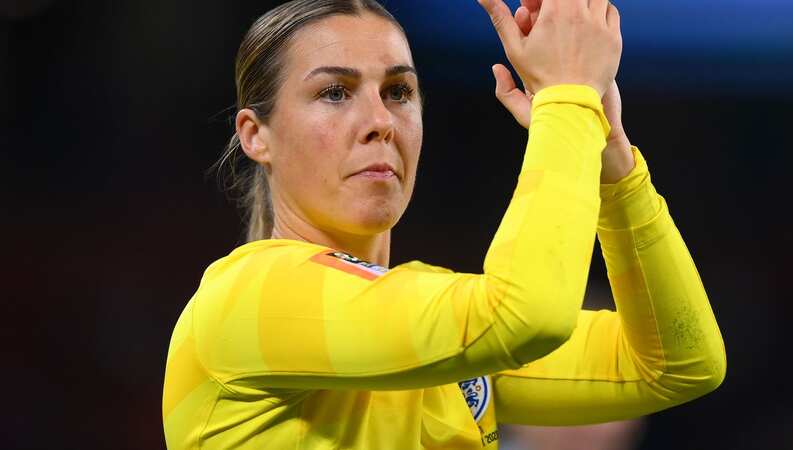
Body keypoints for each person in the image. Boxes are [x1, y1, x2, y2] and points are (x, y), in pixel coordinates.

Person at [162, 0, 727, 448]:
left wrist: (612, 162)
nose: (380, 121)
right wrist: (567, 104)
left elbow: (680, 365)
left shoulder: (430, 318)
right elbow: (523, 317)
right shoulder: (246, 301)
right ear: (255, 135)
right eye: (334, 92)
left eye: (399, 92)